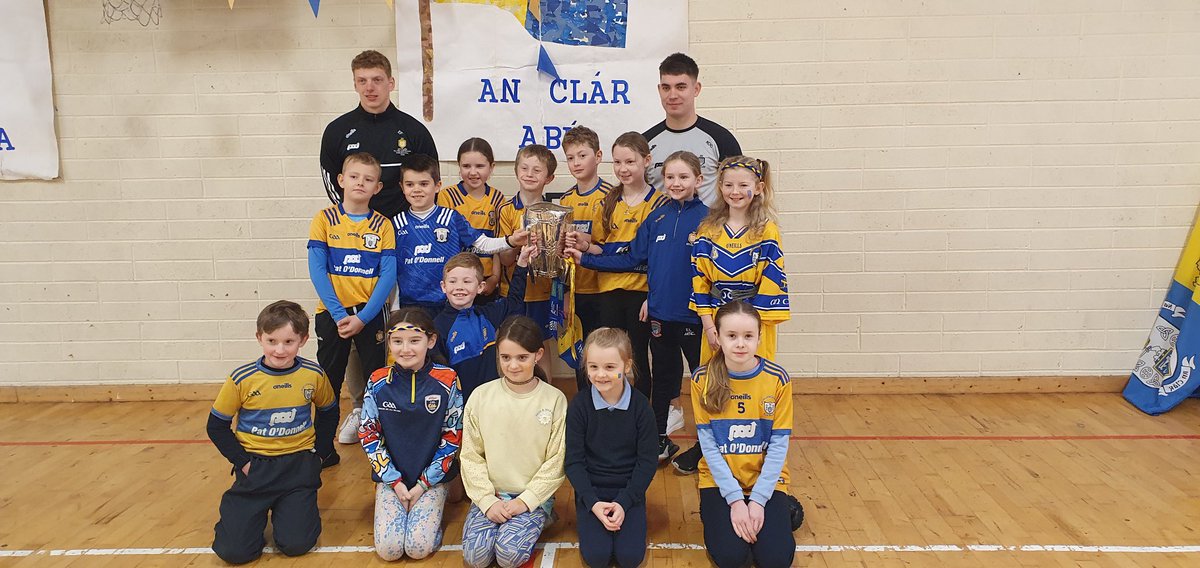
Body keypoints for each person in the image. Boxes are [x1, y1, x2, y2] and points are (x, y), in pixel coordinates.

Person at [568, 151, 707, 462]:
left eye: (683, 177)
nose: (675, 183)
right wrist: (586, 258)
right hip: (660, 316)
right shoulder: (656, 218)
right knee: (662, 378)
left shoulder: (709, 220)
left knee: (703, 382)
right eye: (670, 177)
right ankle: (658, 439)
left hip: (698, 318)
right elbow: (631, 256)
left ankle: (707, 446)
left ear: (698, 180)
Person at [673, 155, 790, 476]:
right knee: (714, 384)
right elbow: (700, 279)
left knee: (755, 386)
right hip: (716, 325)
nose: (734, 191)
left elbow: (771, 280)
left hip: (755, 325)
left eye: (742, 185)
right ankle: (709, 447)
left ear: (759, 187)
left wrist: (748, 330)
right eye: (727, 184)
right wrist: (709, 324)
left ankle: (759, 451)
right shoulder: (707, 229)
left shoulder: (767, 230)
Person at [207, 300, 337, 564]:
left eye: (289, 342)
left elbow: (329, 411)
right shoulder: (242, 378)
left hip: (298, 465)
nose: (280, 350)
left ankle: (289, 509)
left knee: (297, 544)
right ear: (259, 338)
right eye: (272, 341)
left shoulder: (313, 374)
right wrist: (242, 463)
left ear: (303, 339)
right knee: (234, 552)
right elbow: (216, 426)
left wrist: (321, 454)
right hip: (256, 468)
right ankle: (244, 515)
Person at [307, 152, 396, 466]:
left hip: (369, 316)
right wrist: (339, 313)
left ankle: (377, 447)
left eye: (368, 179)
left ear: (378, 187)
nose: (361, 183)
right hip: (332, 315)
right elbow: (317, 270)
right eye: (355, 177)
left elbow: (388, 275)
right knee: (328, 382)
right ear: (341, 181)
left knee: (376, 380)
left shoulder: (382, 225)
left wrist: (363, 317)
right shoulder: (324, 219)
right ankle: (323, 449)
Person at [567, 132, 669, 401]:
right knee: (605, 355)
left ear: (646, 161)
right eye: (618, 163)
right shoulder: (609, 200)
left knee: (635, 358)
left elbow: (653, 257)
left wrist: (652, 295)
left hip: (640, 293)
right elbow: (602, 245)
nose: (623, 169)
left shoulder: (660, 204)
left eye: (630, 162)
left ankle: (639, 414)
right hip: (608, 291)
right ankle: (604, 409)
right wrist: (585, 246)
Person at [692, 301, 795, 568]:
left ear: (760, 337)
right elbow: (709, 447)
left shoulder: (777, 379)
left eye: (748, 336)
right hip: (719, 483)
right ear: (717, 336)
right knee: (731, 557)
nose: (740, 344)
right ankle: (718, 512)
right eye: (732, 336)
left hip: (765, 482)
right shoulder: (702, 379)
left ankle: (783, 509)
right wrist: (736, 501)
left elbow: (778, 446)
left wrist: (759, 501)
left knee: (775, 560)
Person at [460, 316, 567, 568]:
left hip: (531, 498)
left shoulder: (554, 400)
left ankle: (543, 518)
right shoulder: (480, 396)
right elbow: (470, 455)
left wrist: (525, 501)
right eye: (505, 357)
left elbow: (556, 460)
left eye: (522, 357)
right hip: (491, 495)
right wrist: (487, 501)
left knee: (508, 557)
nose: (513, 365)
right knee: (476, 558)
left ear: (538, 355)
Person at [359, 308, 463, 561]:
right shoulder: (377, 380)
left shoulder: (448, 380)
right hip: (392, 479)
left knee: (417, 549)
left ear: (431, 341)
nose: (405, 349)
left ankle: (436, 510)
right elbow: (369, 435)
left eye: (414, 341)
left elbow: (452, 438)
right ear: (389, 343)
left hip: (431, 479)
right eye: (397, 341)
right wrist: (393, 481)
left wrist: (423, 484)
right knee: (389, 550)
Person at [564, 328, 658, 568]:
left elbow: (647, 462)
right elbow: (574, 461)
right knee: (597, 557)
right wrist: (592, 502)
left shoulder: (641, 408)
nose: (601, 375)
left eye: (609, 367)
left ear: (626, 366)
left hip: (628, 492)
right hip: (592, 493)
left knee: (629, 558)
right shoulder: (579, 406)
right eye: (593, 367)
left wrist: (625, 502)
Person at [391, 154, 526, 318]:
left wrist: (511, 240)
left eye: (424, 184)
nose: (417, 189)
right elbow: (391, 270)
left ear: (437, 186)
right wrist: (395, 307)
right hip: (409, 306)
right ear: (402, 187)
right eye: (410, 184)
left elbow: (482, 244)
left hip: (449, 304)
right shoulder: (396, 224)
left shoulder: (451, 218)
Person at [320, 49, 438, 219]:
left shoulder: (415, 131)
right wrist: (353, 219)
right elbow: (332, 184)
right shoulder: (336, 131)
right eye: (362, 81)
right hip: (356, 226)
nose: (369, 88)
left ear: (391, 83)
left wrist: (412, 223)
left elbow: (431, 183)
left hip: (405, 228)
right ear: (355, 85)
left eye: (377, 80)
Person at [434, 247, 535, 402]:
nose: (459, 287)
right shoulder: (437, 327)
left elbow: (514, 300)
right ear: (443, 286)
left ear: (480, 287)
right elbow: (438, 374)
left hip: (493, 401)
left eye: (467, 281)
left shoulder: (488, 314)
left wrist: (521, 263)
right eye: (453, 281)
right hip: (461, 406)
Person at [643, 52, 742, 207]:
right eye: (666, 88)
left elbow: (739, 193)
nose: (672, 95)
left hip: (709, 229)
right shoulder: (645, 142)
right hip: (658, 229)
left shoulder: (721, 139)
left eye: (681, 87)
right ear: (659, 89)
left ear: (696, 89)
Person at [558, 125, 613, 392]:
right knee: (581, 357)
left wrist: (588, 245)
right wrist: (566, 293)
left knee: (604, 353)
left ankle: (610, 408)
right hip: (577, 291)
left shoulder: (612, 197)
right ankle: (585, 408)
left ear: (598, 156)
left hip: (604, 290)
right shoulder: (565, 199)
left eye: (582, 155)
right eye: (570, 157)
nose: (576, 163)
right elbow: (561, 256)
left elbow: (616, 249)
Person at [496, 144, 559, 375]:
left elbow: (559, 261)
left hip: (542, 292)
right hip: (513, 291)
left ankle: (547, 398)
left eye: (537, 170)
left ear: (549, 178)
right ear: (515, 171)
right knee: (509, 344)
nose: (529, 174)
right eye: (524, 168)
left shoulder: (555, 213)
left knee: (540, 346)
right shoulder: (506, 210)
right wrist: (516, 241)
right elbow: (504, 259)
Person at [437, 138, 508, 304]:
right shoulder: (447, 196)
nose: (473, 172)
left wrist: (495, 278)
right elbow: (444, 245)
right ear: (459, 167)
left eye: (480, 166)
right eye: (466, 166)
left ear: (492, 167)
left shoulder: (498, 199)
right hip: (458, 284)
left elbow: (498, 244)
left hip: (487, 281)